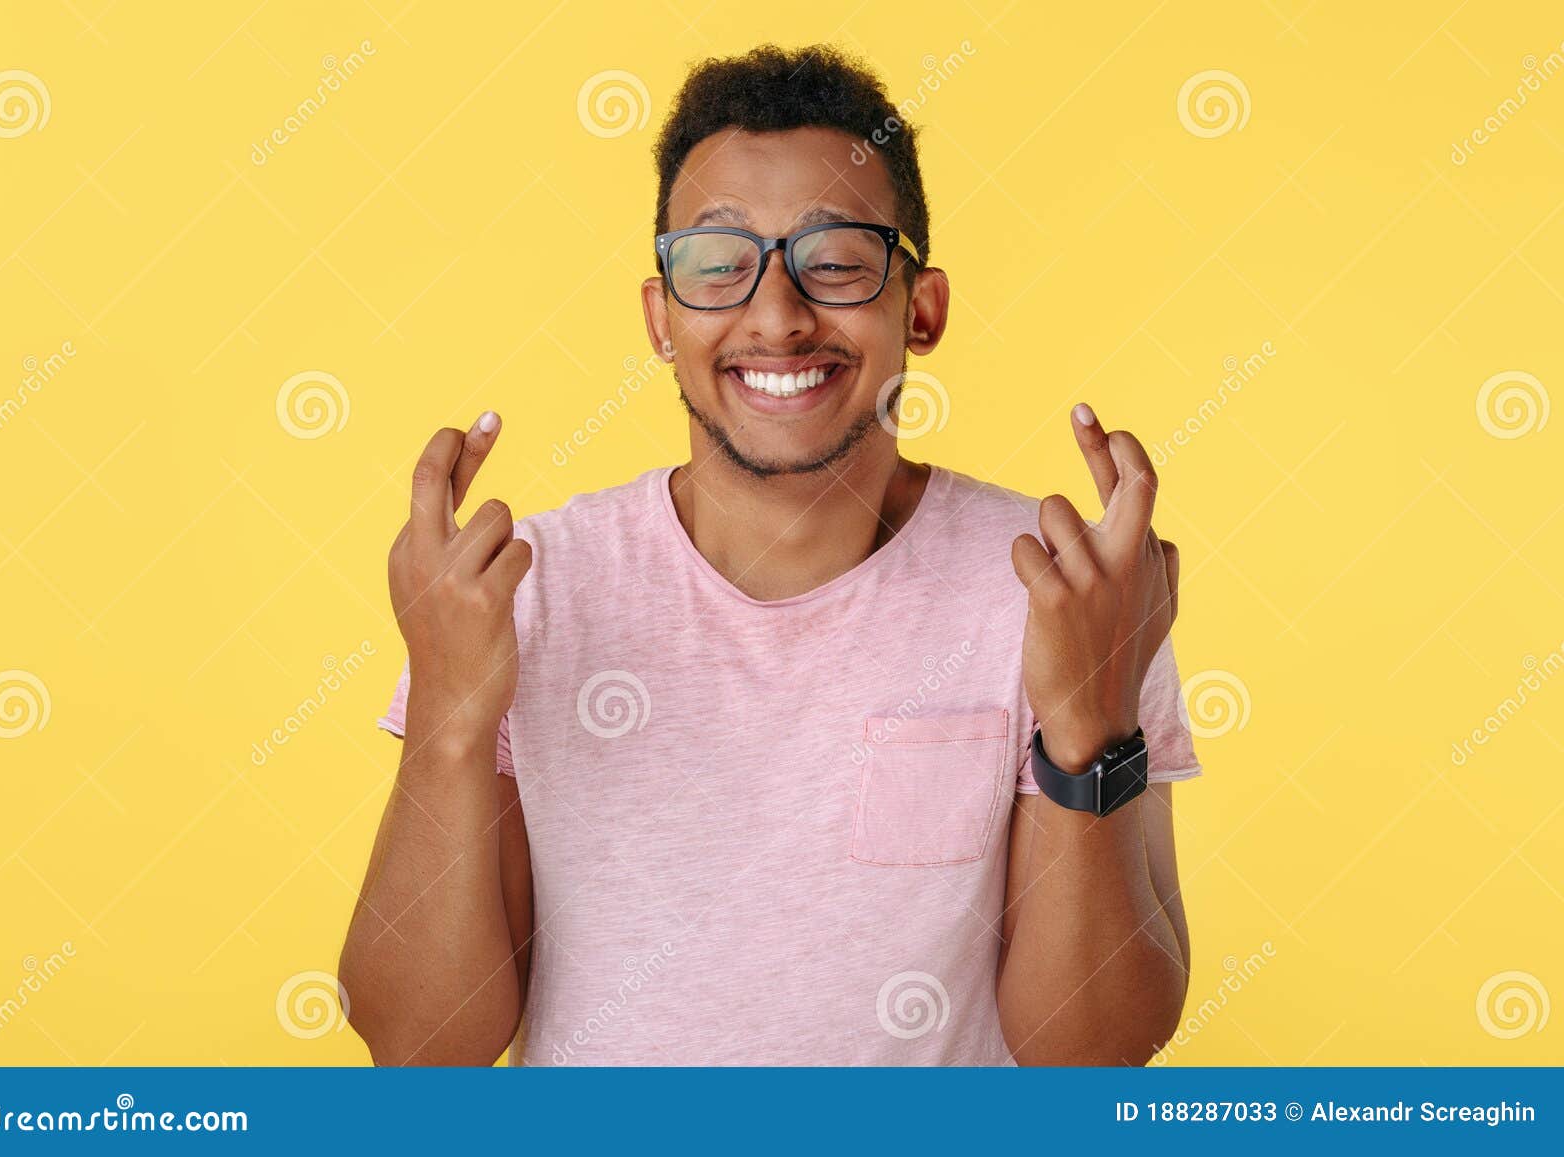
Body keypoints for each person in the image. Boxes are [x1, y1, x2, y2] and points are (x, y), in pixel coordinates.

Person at [339, 43, 1202, 1066]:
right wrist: (446, 711)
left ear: (919, 308)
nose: (778, 316)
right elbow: (417, 1043)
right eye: (717, 265)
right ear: (662, 320)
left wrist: (1089, 727)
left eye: (835, 260)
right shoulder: (524, 590)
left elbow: (1093, 1053)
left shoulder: (1065, 594)